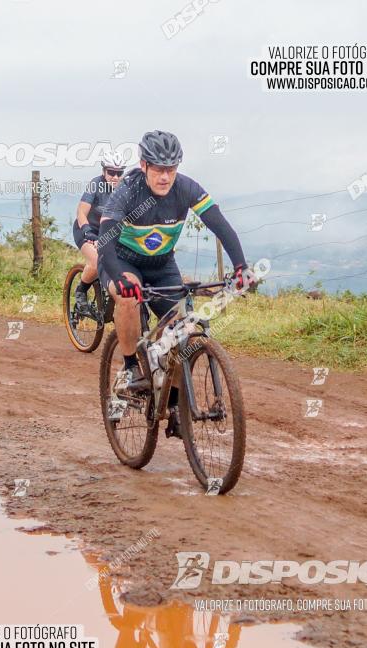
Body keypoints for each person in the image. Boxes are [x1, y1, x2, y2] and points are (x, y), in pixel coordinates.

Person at [97, 130, 256, 437]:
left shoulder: (186, 188)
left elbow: (220, 225)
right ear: (144, 165)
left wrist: (240, 267)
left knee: (182, 327)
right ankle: (130, 367)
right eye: (158, 169)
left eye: (171, 169)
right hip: (122, 261)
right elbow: (105, 242)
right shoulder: (127, 192)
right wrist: (117, 275)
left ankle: (171, 403)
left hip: (162, 265)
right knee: (127, 295)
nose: (165, 176)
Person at [72, 149, 126, 314]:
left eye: (119, 173)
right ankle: (81, 291)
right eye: (111, 172)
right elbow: (81, 212)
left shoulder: (125, 189)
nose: (115, 177)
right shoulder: (96, 185)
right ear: (104, 171)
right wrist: (87, 231)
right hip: (87, 228)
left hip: (108, 232)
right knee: (97, 261)